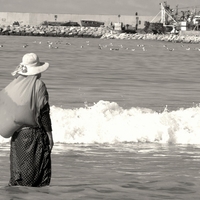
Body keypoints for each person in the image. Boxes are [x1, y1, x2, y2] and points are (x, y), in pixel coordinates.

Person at [6, 53, 54, 187]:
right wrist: (49, 134)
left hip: (18, 136)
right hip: (34, 136)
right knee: (37, 178)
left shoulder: (15, 85)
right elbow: (44, 112)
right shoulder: (39, 86)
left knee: (18, 175)